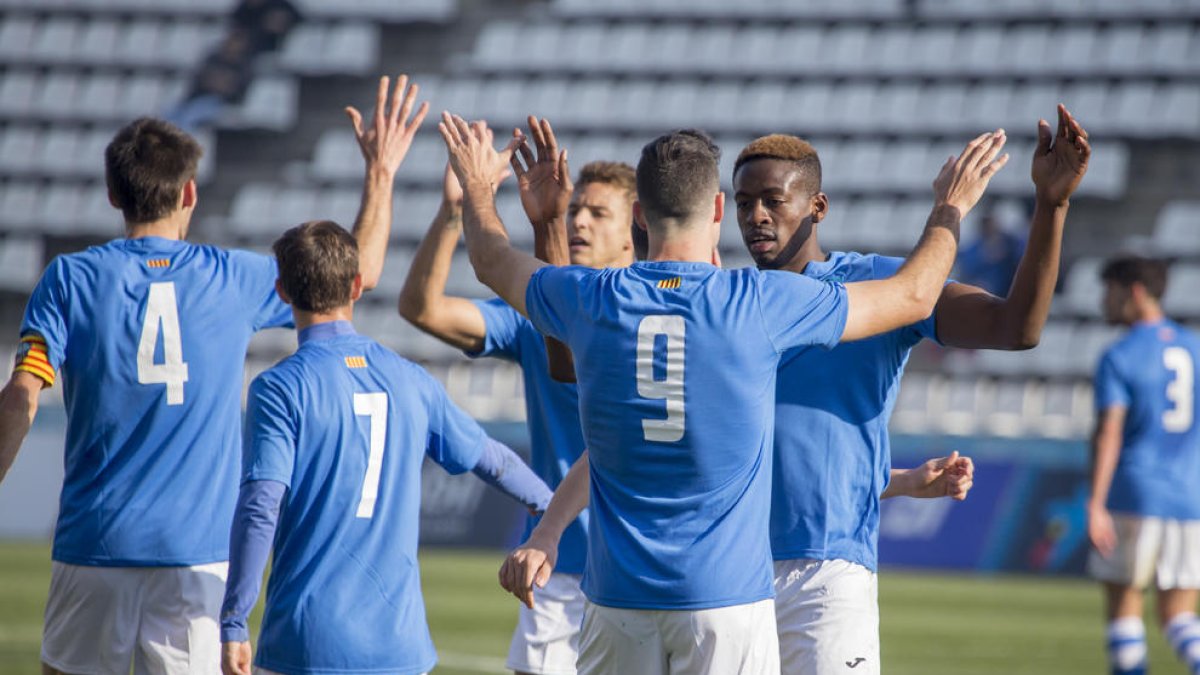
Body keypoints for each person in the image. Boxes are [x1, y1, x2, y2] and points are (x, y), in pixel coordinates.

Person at [443, 112, 1006, 674]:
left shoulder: (590, 297)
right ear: (717, 208)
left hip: (615, 597)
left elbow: (491, 260)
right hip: (724, 599)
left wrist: (476, 186)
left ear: (639, 216)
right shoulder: (757, 302)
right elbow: (912, 296)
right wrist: (950, 206)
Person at [0, 75, 427, 675]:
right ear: (190, 193)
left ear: (112, 194)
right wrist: (380, 173)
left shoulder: (69, 280)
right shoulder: (232, 278)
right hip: (198, 558)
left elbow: (21, 396)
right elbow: (364, 271)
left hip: (94, 546)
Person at [730, 105, 1090, 675]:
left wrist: (1052, 204)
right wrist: (897, 482)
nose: (756, 216)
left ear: (817, 208)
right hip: (727, 571)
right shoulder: (724, 303)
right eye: (744, 202)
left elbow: (1015, 328)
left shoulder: (885, 287)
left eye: (774, 200)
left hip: (827, 574)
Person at [219, 220, 553, 675]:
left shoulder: (278, 389)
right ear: (357, 286)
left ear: (281, 291)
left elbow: (261, 506)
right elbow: (493, 460)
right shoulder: (410, 377)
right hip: (400, 649)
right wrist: (555, 510)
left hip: (306, 643)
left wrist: (235, 619)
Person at [399, 116, 635, 675]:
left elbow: (573, 356)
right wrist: (455, 212)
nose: (579, 220)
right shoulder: (531, 317)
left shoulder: (652, 313)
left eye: (598, 213)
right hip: (552, 566)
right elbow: (422, 310)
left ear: (634, 230)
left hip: (633, 565)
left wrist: (541, 223)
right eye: (575, 209)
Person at [1088, 256, 1200, 675]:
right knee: (1179, 615)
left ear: (1134, 291)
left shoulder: (1121, 354)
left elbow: (1109, 433)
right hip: (1190, 497)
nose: (1105, 301)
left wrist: (1096, 502)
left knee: (1124, 607)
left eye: (1110, 291)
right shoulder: (1196, 347)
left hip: (1134, 492)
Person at [956, 211, 1027, 296]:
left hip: (1004, 293)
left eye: (991, 224)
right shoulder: (975, 247)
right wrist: (985, 257)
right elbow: (966, 266)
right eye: (985, 224)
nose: (989, 227)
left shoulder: (1011, 244)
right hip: (980, 292)